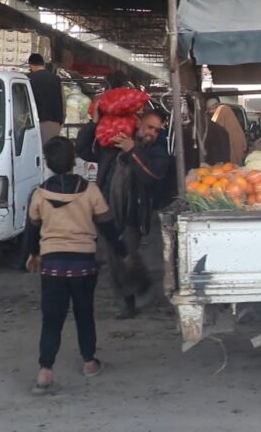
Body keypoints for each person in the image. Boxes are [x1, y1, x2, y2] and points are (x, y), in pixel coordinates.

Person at [24, 137, 127, 394]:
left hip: (52, 265)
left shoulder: (38, 194)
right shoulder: (90, 191)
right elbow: (107, 225)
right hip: (83, 263)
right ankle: (90, 363)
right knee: (84, 313)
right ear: (74, 161)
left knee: (52, 318)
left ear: (48, 163)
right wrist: (121, 251)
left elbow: (31, 229)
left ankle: (45, 372)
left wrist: (32, 253)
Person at [76, 107, 172, 318]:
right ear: (138, 123)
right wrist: (94, 123)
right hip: (106, 210)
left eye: (156, 130)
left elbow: (151, 175)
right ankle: (134, 295)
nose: (151, 133)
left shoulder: (156, 151)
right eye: (149, 127)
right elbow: (82, 149)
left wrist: (133, 152)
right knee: (114, 256)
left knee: (126, 253)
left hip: (134, 214)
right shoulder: (113, 144)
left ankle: (135, 295)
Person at [28, 54, 65, 144]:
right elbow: (63, 101)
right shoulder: (56, 79)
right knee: (50, 151)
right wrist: (61, 120)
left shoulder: (28, 78)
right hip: (54, 122)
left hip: (33, 122)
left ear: (31, 65)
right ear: (43, 64)